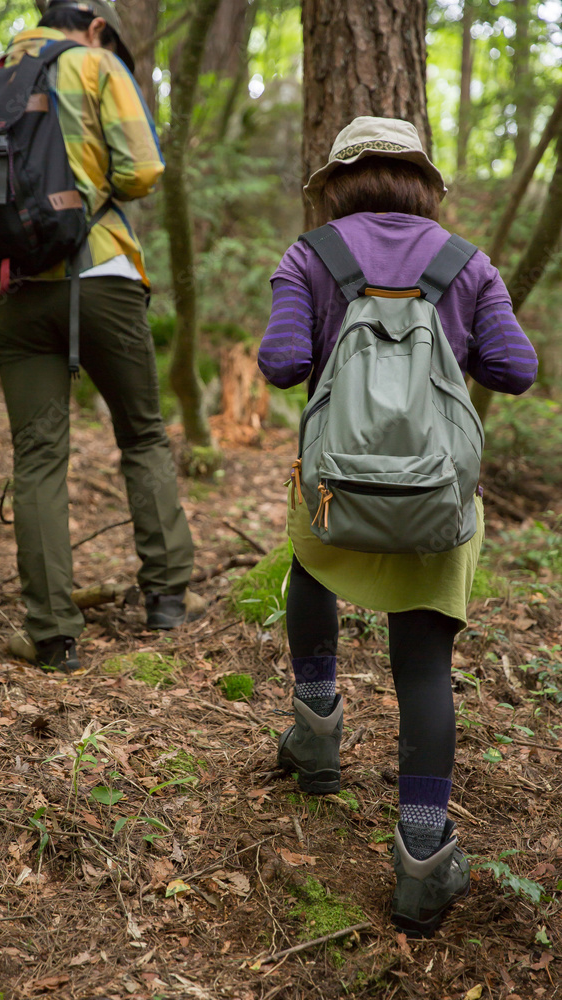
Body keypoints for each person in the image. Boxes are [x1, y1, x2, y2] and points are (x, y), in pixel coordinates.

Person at [258, 117, 538, 936]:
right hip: (434, 504)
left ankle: (316, 736)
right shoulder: (465, 262)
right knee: (422, 665)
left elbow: (279, 364)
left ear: (336, 184)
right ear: (422, 183)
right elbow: (515, 370)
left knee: (308, 569)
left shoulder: (312, 256)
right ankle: (420, 859)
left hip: (335, 495)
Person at [0, 0, 197, 672]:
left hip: (15, 290)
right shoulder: (93, 63)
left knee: (39, 459)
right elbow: (142, 170)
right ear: (97, 26)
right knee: (141, 434)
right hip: (101, 276)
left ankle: (52, 633)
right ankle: (165, 598)